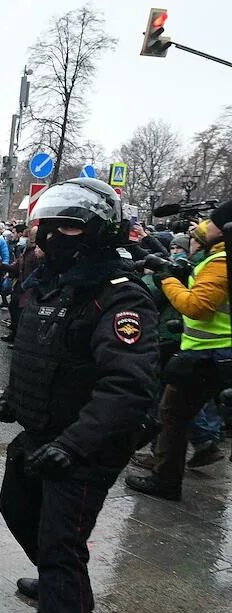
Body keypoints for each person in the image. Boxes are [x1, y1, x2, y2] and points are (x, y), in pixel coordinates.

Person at [0, 178, 158, 613]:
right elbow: (38, 355)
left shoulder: (119, 296)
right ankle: (65, 583)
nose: (52, 236)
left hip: (87, 446)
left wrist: (72, 446)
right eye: (47, 224)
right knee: (16, 505)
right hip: (44, 434)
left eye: (68, 225)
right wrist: (16, 400)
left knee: (62, 545)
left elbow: (126, 389)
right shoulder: (46, 285)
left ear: (98, 233)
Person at [126, 205, 232, 500]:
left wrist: (168, 279)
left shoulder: (220, 261)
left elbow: (196, 307)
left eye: (212, 222)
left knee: (172, 413)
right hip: (213, 353)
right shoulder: (215, 257)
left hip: (206, 353)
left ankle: (165, 480)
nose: (204, 225)